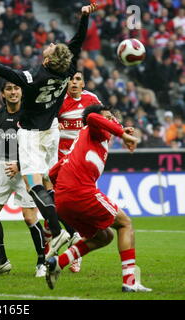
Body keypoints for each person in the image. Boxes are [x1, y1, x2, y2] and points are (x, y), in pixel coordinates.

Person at [0, 3, 98, 258]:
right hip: (51, 129)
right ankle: (68, 228)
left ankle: (57, 230)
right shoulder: (69, 68)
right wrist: (83, 17)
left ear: (48, 59)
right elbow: (79, 39)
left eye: (49, 48)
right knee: (48, 181)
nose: (47, 45)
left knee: (32, 183)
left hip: (30, 133)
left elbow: (7, 73)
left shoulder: (33, 77)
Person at [45, 105, 152, 293]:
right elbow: (93, 117)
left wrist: (60, 192)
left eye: (113, 118)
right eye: (108, 118)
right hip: (81, 192)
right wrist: (122, 134)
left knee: (104, 237)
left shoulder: (81, 145)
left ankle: (58, 262)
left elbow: (53, 173)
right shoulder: (91, 129)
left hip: (63, 200)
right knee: (125, 224)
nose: (111, 121)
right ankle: (130, 281)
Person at [0, 81, 47, 277]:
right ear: (3, 94)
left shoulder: (30, 113)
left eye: (16, 88)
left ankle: (42, 262)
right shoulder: (0, 114)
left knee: (30, 217)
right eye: (9, 89)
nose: (13, 91)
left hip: (26, 167)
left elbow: (38, 144)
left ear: (21, 93)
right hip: (3, 165)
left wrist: (20, 164)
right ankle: (1, 262)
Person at [44, 71, 102, 272]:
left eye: (78, 79)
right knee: (53, 211)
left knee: (79, 213)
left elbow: (105, 119)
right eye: (71, 79)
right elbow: (44, 124)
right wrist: (54, 125)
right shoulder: (59, 101)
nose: (74, 82)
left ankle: (75, 256)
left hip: (84, 167)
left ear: (83, 83)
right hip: (61, 164)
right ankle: (48, 255)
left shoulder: (92, 100)